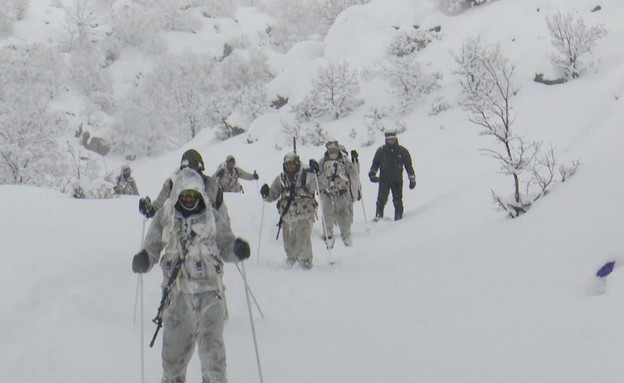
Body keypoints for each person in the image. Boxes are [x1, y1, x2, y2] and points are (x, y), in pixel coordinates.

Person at [131, 168, 251, 383]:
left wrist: (237, 249)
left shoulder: (211, 217)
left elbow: (225, 245)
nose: (188, 200)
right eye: (184, 195)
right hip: (177, 295)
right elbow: (152, 248)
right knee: (172, 360)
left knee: (213, 359)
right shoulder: (165, 217)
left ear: (200, 195)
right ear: (176, 194)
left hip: (210, 294)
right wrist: (144, 260)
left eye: (192, 196)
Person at [259, 152, 318, 269]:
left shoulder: (306, 176)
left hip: (304, 213)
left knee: (303, 238)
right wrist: (266, 194)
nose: (290, 168)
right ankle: (292, 260)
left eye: (292, 166)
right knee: (288, 242)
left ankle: (306, 262)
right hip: (287, 215)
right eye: (287, 166)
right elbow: (273, 194)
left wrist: (317, 173)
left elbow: (318, 186)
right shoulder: (281, 179)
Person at [139, 149, 224, 219]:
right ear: (182, 170)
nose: (191, 175)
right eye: (187, 171)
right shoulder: (172, 184)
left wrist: (228, 238)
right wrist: (150, 210)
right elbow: (160, 206)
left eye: (195, 171)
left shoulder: (209, 184)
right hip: (175, 230)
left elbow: (221, 218)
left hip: (204, 231)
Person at [316, 140, 361, 248]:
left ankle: (346, 236)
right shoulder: (322, 162)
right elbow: (317, 176)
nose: (332, 152)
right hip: (327, 193)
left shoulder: (345, 161)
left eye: (334, 150)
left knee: (344, 214)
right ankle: (328, 236)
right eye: (330, 150)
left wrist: (355, 161)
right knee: (328, 214)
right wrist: (315, 169)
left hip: (342, 192)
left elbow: (354, 172)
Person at [368, 131, 416, 221]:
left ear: (395, 139)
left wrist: (412, 178)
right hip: (384, 180)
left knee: (397, 200)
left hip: (397, 180)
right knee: (381, 200)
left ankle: (399, 218)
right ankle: (378, 217)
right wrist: (372, 174)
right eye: (388, 140)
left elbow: (408, 166)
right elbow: (375, 164)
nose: (390, 141)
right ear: (386, 140)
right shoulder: (381, 151)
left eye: (392, 139)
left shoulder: (402, 151)